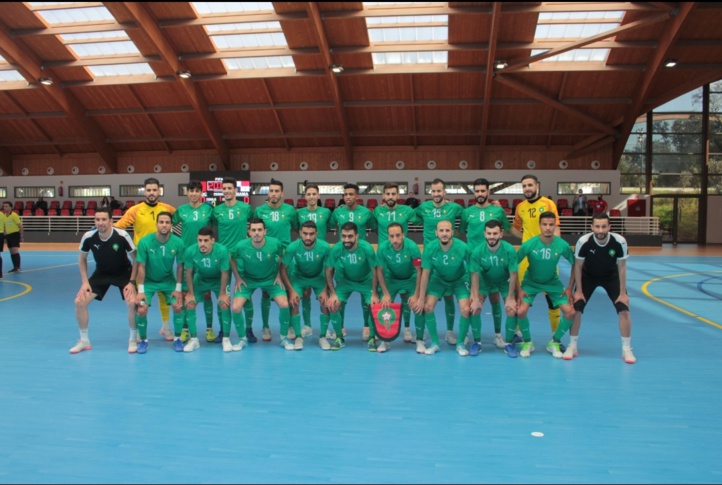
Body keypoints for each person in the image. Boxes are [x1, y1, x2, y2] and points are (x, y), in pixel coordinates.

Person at [566, 213, 636, 363]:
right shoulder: (583, 241)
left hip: (611, 277)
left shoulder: (620, 242)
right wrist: (578, 291)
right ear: (592, 227)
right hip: (588, 276)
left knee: (624, 308)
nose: (600, 230)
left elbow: (622, 268)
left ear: (609, 227)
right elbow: (577, 266)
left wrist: (623, 292)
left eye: (604, 226)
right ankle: (572, 345)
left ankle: (626, 349)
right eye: (597, 226)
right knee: (576, 308)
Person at [114, 177, 176, 340]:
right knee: (140, 297)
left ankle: (166, 326)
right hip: (141, 260)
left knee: (164, 294)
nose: (151, 193)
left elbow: (185, 218)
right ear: (144, 191)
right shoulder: (135, 210)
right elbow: (119, 227)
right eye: (148, 190)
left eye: (154, 190)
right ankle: (137, 331)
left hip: (162, 258)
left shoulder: (168, 208)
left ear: (159, 191)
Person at [70, 207, 138, 354]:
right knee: (79, 302)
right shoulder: (88, 236)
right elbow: (82, 259)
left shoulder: (122, 235)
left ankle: (133, 338)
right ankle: (84, 340)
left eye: (104, 219)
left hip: (123, 274)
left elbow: (136, 259)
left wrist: (132, 282)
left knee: (133, 303)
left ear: (111, 221)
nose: (100, 223)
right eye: (97, 219)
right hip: (101, 274)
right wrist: (85, 282)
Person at [515, 211, 577, 358]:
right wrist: (518, 289)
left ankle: (554, 342)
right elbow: (513, 265)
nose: (548, 228)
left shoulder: (562, 245)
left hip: (552, 282)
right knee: (521, 311)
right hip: (531, 282)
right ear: (539, 225)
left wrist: (569, 288)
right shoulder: (529, 244)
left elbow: (575, 264)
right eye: (545, 224)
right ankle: (528, 342)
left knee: (570, 312)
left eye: (551, 224)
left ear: (555, 225)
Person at [510, 174, 563, 346]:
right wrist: (526, 240)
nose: (527, 188)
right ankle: (519, 333)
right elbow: (516, 230)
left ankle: (556, 337)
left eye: (530, 185)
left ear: (537, 186)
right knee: (522, 296)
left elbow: (556, 228)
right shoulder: (520, 207)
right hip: (526, 258)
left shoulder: (548, 204)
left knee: (552, 298)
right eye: (524, 186)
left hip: (546, 256)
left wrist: (554, 252)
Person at [459, 178, 512, 348]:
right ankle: (468, 333)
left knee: (495, 297)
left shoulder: (498, 211)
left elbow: (507, 229)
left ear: (488, 192)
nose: (480, 194)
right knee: (471, 300)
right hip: (474, 262)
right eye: (477, 191)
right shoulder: (467, 213)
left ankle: (497, 335)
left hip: (494, 261)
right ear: (474, 192)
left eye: (483, 190)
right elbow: (461, 232)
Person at [230, 219, 293, 350]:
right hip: (248, 280)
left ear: (265, 231)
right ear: (249, 232)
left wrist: (278, 275)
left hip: (271, 280)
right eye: (253, 230)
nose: (257, 233)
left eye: (259, 230)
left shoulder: (275, 243)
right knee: (236, 307)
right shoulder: (241, 245)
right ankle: (242, 339)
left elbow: (282, 256)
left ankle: (283, 338)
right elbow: (231, 258)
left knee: (284, 304)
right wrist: (238, 278)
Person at [415, 178, 464, 345]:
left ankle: (450, 332)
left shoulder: (454, 208)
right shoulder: (423, 208)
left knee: (449, 298)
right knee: (426, 299)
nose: (436, 194)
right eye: (433, 191)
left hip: (448, 257)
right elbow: (412, 218)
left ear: (445, 192)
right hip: (431, 259)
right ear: (430, 192)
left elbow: (467, 218)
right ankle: (421, 335)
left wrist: (494, 205)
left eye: (439, 191)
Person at [412, 220, 471, 356]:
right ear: (436, 233)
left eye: (447, 230)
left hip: (459, 280)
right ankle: (435, 343)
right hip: (438, 280)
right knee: (427, 307)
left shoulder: (463, 247)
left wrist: (473, 293)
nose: (444, 234)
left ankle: (460, 343)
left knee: (466, 309)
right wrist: (421, 298)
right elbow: (425, 274)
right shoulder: (430, 248)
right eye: (441, 231)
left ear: (452, 232)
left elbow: (473, 271)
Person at [328, 183, 377, 340]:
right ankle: (340, 328)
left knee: (366, 299)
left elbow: (376, 227)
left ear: (357, 197)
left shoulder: (366, 213)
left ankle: (367, 327)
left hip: (362, 258)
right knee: (340, 296)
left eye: (351, 194)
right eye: (346, 194)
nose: (348, 197)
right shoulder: (337, 213)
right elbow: (327, 225)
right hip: (343, 260)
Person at [374, 183, 421, 342]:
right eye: (387, 194)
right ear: (383, 196)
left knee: (408, 298)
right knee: (384, 299)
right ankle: (383, 333)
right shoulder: (377, 211)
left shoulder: (407, 211)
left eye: (393, 194)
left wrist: (444, 205)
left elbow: (422, 217)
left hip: (404, 258)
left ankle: (407, 330)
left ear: (398, 196)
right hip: (386, 261)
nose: (390, 197)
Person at [134, 212, 186, 354]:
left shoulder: (178, 242)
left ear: (171, 225)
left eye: (167, 222)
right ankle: (143, 340)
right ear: (156, 224)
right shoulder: (145, 242)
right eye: (161, 222)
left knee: (178, 306)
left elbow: (180, 266)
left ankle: (177, 339)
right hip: (149, 283)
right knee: (141, 309)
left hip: (168, 281)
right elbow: (141, 266)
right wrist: (141, 290)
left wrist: (178, 288)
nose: (164, 225)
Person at [253, 178, 298, 340]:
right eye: (271, 191)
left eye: (276, 191)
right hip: (267, 259)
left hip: (286, 259)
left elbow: (296, 228)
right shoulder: (259, 211)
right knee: (266, 293)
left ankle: (290, 326)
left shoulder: (290, 211)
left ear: (282, 193)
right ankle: (265, 327)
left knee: (287, 292)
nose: (273, 194)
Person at [211, 177, 254, 342]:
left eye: (230, 188)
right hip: (222, 257)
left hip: (242, 257)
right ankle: (223, 330)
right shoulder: (217, 211)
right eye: (225, 188)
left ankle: (248, 330)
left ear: (236, 190)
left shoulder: (246, 208)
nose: (227, 191)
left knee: (246, 293)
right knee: (223, 294)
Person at [325, 222, 380, 351]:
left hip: (366, 281)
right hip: (345, 282)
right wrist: (332, 293)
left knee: (374, 305)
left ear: (357, 236)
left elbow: (375, 270)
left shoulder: (366, 248)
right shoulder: (337, 249)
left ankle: (372, 338)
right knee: (333, 305)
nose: (346, 240)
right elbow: (328, 270)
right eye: (343, 236)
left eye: (350, 236)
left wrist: (375, 293)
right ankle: (339, 337)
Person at [172, 180, 215, 343]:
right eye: (191, 191)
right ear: (187, 193)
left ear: (201, 193)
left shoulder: (209, 210)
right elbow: (169, 225)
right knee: (185, 293)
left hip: (205, 256)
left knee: (206, 293)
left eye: (197, 191)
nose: (194, 194)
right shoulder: (181, 211)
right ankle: (184, 329)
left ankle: (209, 329)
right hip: (186, 256)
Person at [469, 220, 520, 357]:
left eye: (495, 233)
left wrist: (510, 297)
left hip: (504, 281)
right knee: (475, 308)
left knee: (511, 310)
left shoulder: (509, 250)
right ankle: (477, 343)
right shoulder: (477, 251)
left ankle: (508, 343)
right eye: (489, 233)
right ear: (485, 234)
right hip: (484, 282)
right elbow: (474, 275)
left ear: (501, 234)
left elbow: (513, 274)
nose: (492, 236)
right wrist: (474, 297)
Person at [279, 220, 333, 349]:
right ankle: (298, 337)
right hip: (299, 277)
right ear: (300, 233)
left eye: (311, 234)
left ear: (316, 234)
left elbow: (330, 269)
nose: (308, 237)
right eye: (305, 233)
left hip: (318, 277)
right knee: (294, 301)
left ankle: (323, 336)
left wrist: (326, 289)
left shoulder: (325, 247)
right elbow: (283, 269)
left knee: (325, 303)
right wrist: (291, 291)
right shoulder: (293, 247)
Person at [375, 222, 423, 352]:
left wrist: (416, 294)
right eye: (391, 236)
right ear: (388, 236)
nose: (395, 240)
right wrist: (385, 293)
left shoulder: (412, 247)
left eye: (397, 236)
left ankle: (419, 340)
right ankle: (385, 340)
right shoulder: (382, 248)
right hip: (392, 278)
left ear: (403, 235)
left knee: (419, 306)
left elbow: (419, 271)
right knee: (383, 304)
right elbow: (379, 270)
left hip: (410, 278)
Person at [183, 226, 232, 352]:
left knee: (224, 304)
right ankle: (194, 340)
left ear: (212, 240)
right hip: (201, 279)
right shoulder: (190, 251)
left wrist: (222, 294)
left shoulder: (222, 251)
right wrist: (190, 293)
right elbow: (188, 273)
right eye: (200, 240)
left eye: (206, 240)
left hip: (218, 279)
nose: (202, 244)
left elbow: (225, 273)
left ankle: (226, 339)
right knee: (189, 303)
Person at [296, 183, 333, 338]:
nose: (311, 197)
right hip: (305, 256)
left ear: (318, 196)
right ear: (305, 197)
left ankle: (328, 329)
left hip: (322, 258)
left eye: (314, 194)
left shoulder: (326, 212)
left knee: (326, 295)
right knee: (305, 293)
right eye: (308, 194)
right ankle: (307, 326)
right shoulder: (298, 213)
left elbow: (331, 227)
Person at [2, 201, 23, 273]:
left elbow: (20, 226)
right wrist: (5, 237)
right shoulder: (4, 216)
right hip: (8, 235)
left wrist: (21, 236)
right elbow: (5, 227)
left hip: (15, 234)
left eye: (6, 206)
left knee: (15, 251)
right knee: (11, 251)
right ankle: (15, 267)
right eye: (4, 206)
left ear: (10, 207)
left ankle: (18, 267)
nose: (5, 208)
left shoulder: (14, 215)